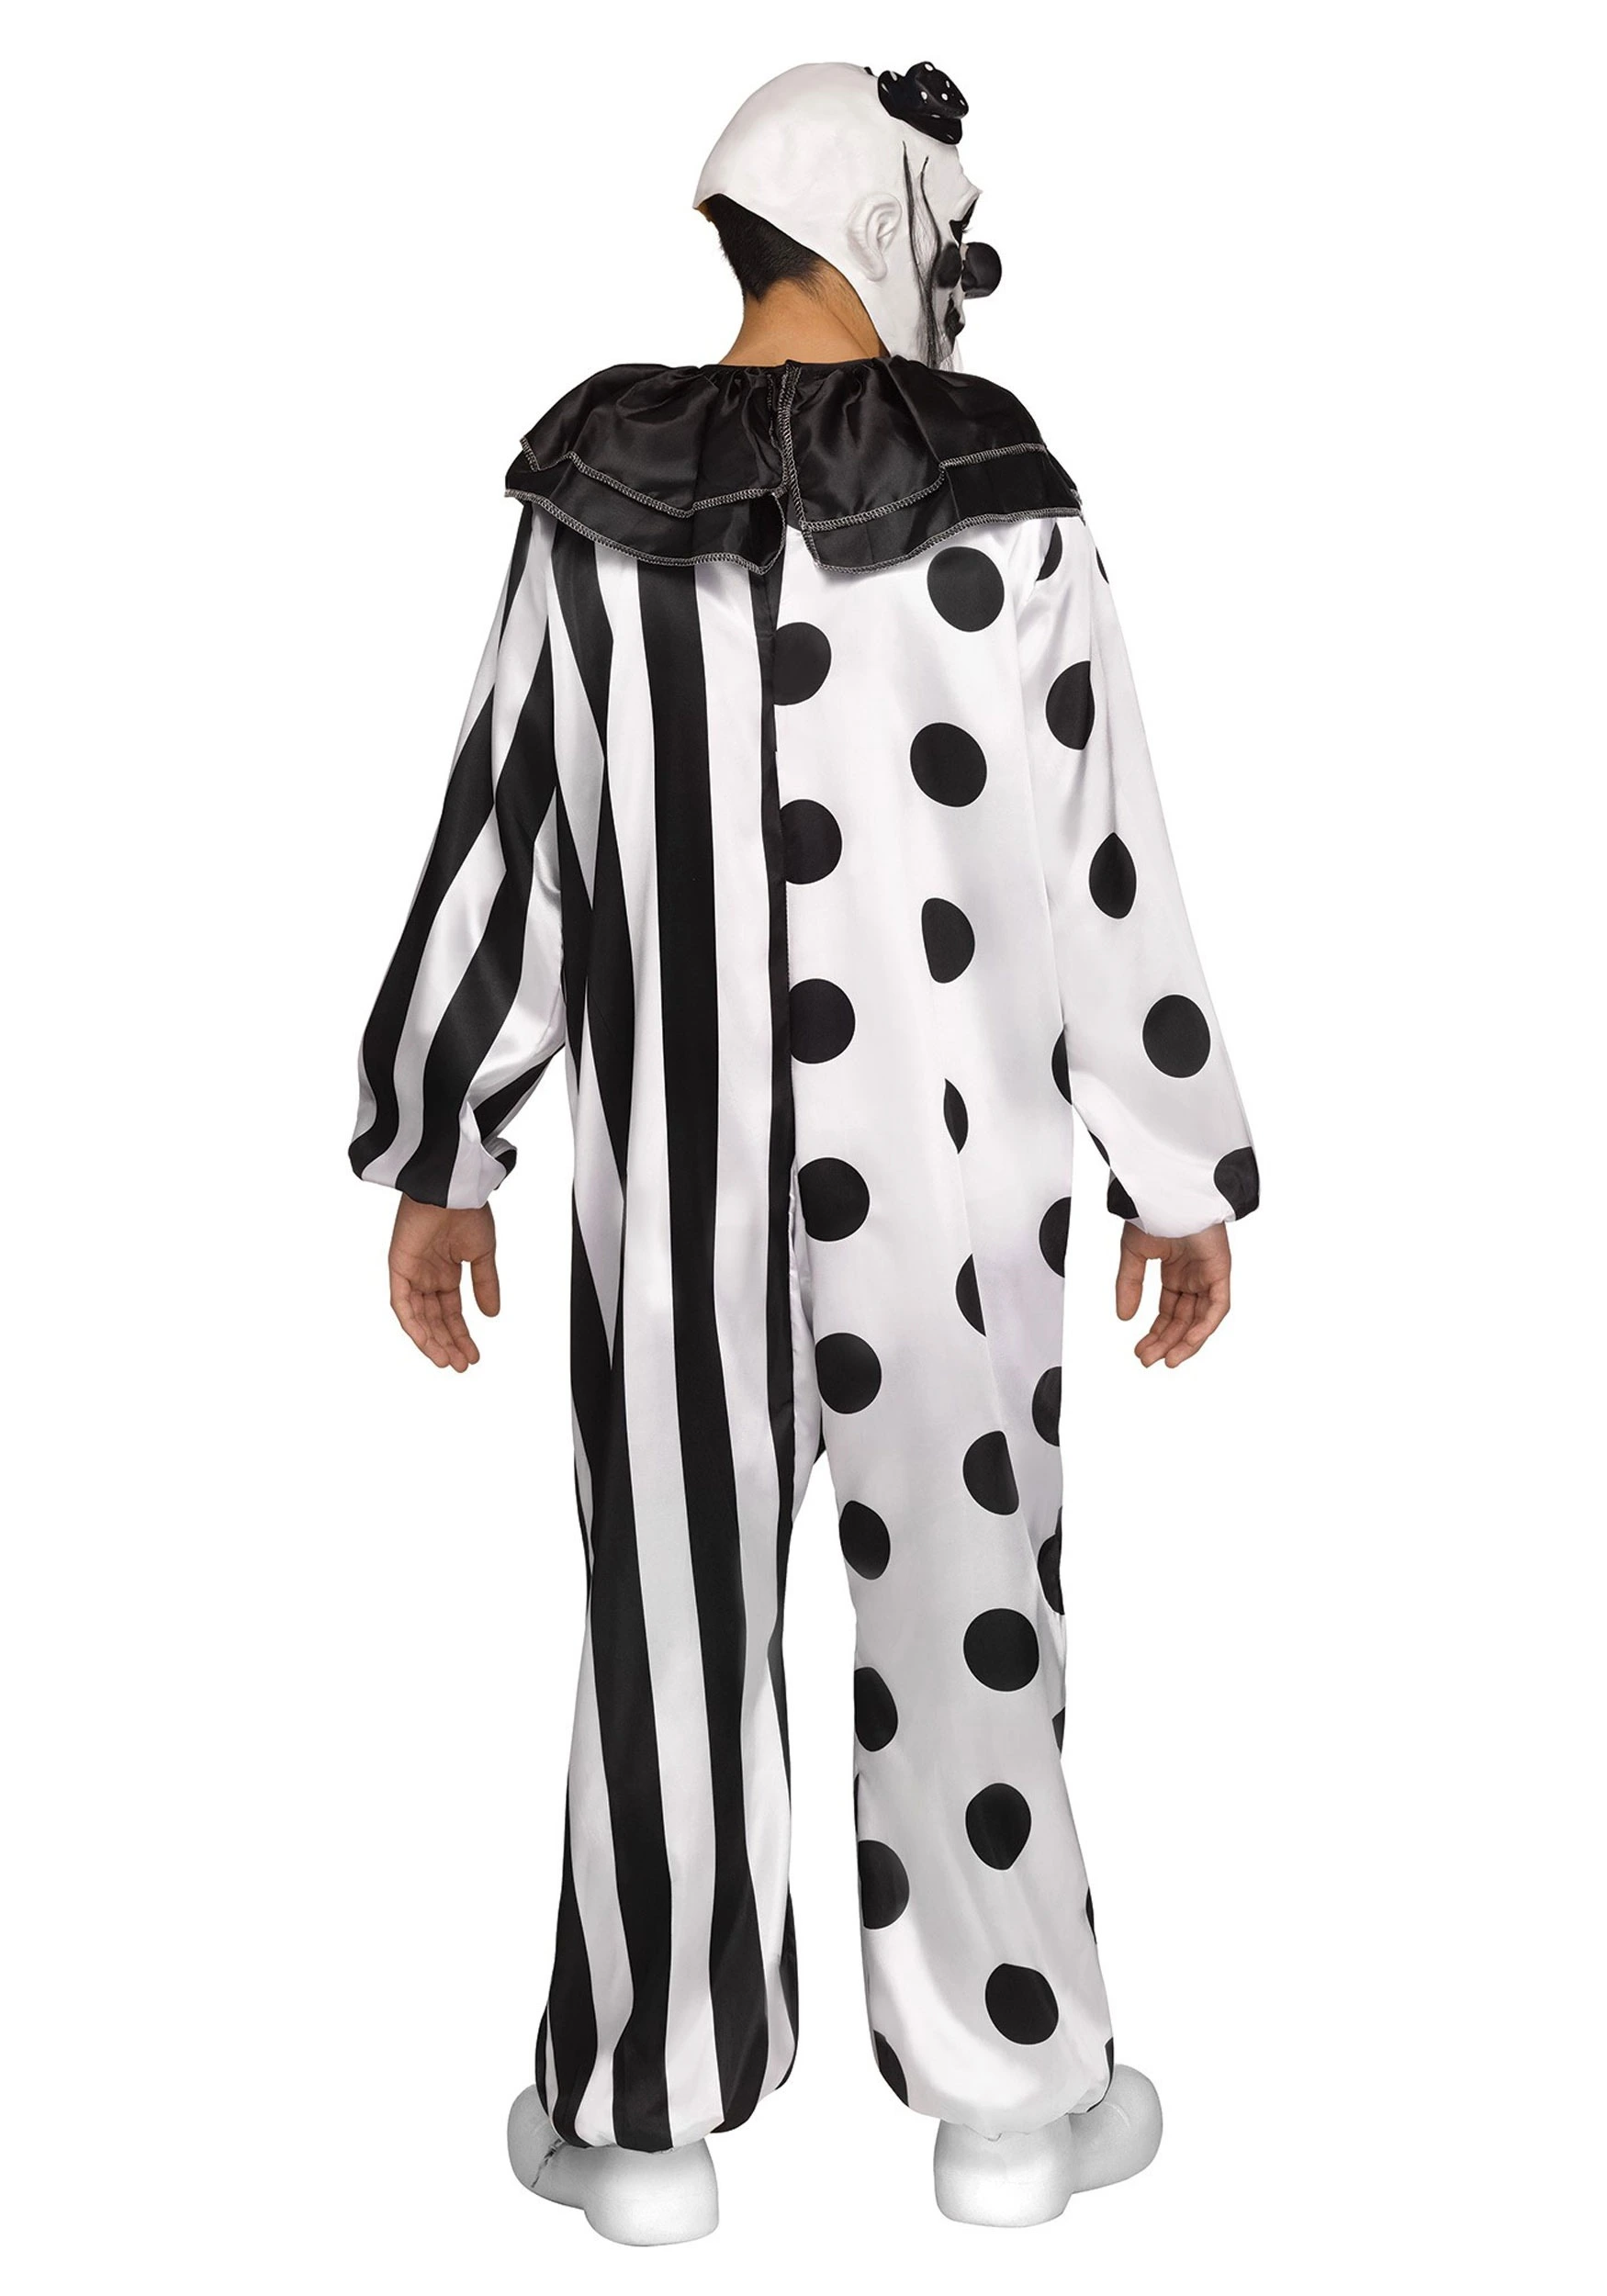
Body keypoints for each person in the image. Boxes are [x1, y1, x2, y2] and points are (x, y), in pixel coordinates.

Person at [350, 59, 1258, 2245]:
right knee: (971, 1614)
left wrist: (443, 1141)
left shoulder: (591, 510)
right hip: (953, 1210)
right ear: (891, 232)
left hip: (676, 1204)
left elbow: (513, 841)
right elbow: (1102, 859)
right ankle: (1009, 2105)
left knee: (658, 1632)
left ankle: (640, 2128)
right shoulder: (1007, 510)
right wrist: (1174, 1167)